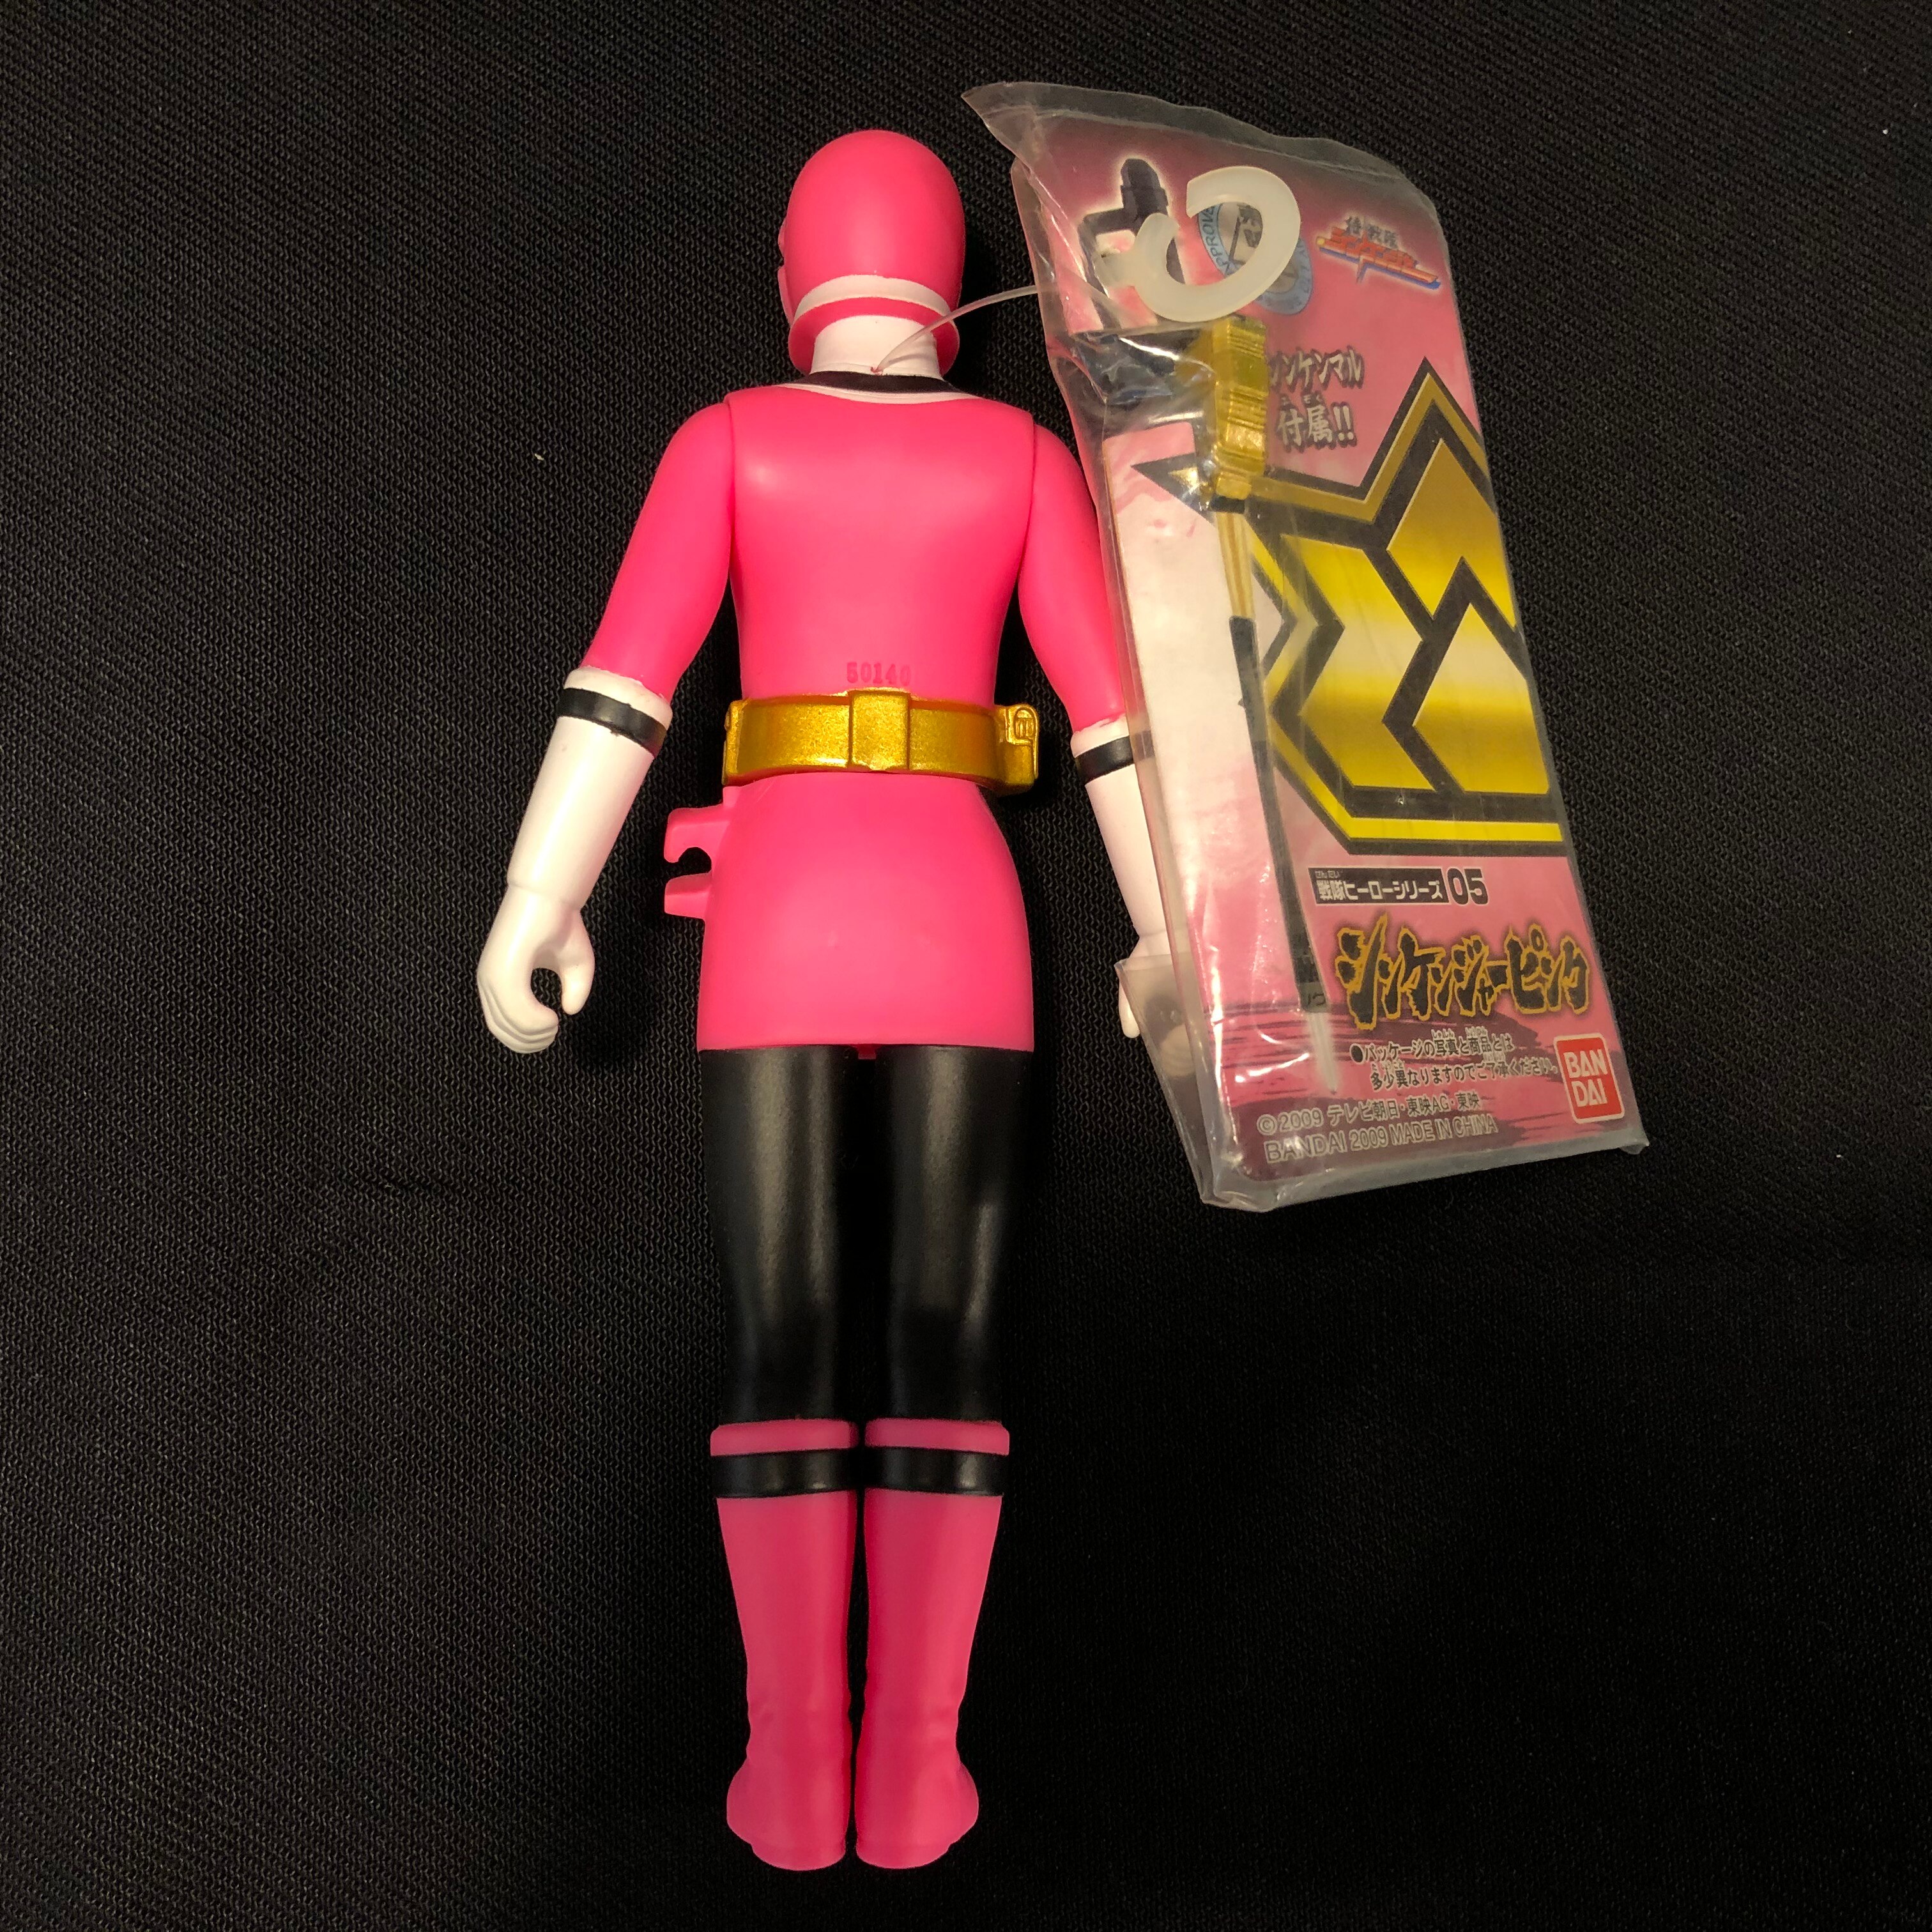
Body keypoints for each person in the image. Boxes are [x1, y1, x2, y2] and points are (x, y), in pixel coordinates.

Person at [476, 129, 1163, 1870]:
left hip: (779, 906)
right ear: (949, 287)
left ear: (796, 274)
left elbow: (623, 691)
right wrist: (1174, 938)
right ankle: (916, 1763)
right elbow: (1112, 730)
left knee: (779, 1330)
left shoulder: (728, 442)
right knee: (950, 1335)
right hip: (960, 911)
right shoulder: (1020, 458)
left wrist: (541, 894)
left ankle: (791, 1760)